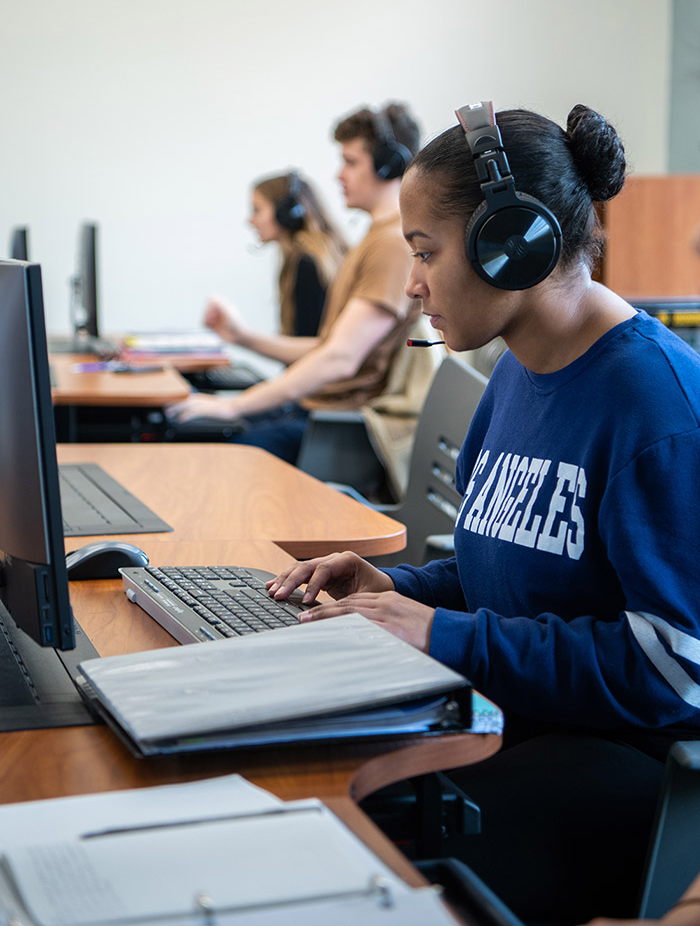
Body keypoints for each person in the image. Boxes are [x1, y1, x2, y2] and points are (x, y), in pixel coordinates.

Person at [266, 101, 700, 923]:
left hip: (624, 765)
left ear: (514, 244)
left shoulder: (657, 409)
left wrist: (443, 635)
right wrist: (405, 591)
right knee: (288, 793)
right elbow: (509, 565)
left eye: (426, 252)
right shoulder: (517, 373)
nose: (414, 283)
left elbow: (675, 665)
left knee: (361, 868)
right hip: (516, 721)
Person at [168, 103, 422, 465]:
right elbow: (326, 347)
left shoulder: (391, 246)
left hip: (334, 426)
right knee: (191, 432)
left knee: (212, 457)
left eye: (350, 162)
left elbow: (339, 359)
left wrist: (235, 406)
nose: (339, 175)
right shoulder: (372, 239)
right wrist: (242, 337)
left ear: (388, 166)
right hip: (315, 409)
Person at [240, 171, 347, 337]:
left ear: (285, 212)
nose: (250, 220)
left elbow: (308, 341)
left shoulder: (307, 263)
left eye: (257, 210)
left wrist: (240, 336)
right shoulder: (307, 256)